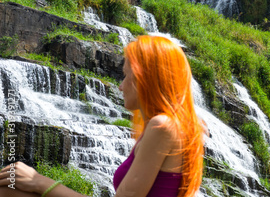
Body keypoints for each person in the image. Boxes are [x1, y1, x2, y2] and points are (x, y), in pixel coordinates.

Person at [0, 35, 205, 197]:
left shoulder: (163, 125)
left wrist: (40, 181)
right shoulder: (170, 125)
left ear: (146, 78)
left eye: (126, 75)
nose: (121, 86)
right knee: (9, 188)